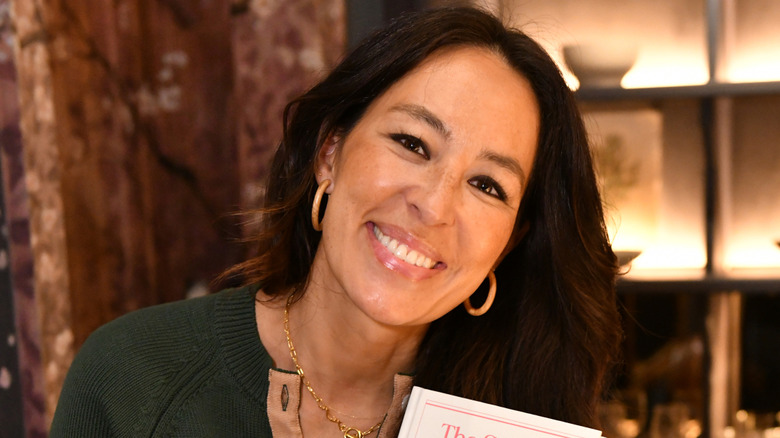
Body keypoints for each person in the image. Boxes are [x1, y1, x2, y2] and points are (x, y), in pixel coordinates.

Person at [50, 6, 621, 438]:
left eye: (487, 185)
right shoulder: (134, 380)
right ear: (330, 153)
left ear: (509, 242)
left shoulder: (517, 419)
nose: (436, 205)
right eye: (412, 143)